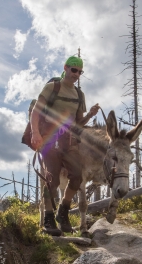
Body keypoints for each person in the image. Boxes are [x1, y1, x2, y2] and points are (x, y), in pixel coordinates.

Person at [30, 56, 100, 236]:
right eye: (73, 70)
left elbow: (78, 122)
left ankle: (63, 212)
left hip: (69, 142)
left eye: (79, 72)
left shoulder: (79, 95)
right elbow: (37, 111)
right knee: (51, 179)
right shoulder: (52, 88)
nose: (76, 74)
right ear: (66, 68)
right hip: (49, 140)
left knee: (77, 177)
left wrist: (90, 115)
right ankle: (48, 218)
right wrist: (35, 133)